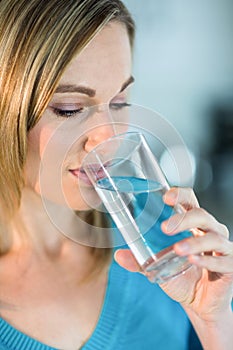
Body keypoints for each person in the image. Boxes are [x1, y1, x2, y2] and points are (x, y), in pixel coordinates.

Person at [0, 0, 232, 349]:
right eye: (70, 109)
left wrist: (214, 323)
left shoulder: (168, 243)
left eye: (120, 102)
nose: (108, 138)